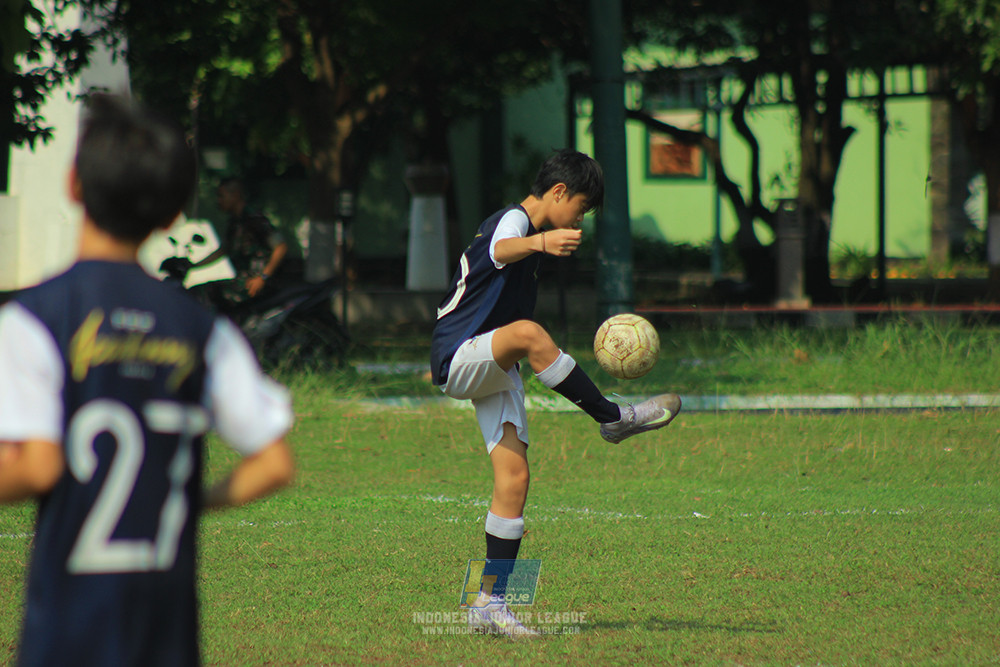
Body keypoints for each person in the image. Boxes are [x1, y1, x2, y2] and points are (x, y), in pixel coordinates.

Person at [0, 94, 295, 666]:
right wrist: (188, 498)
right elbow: (274, 462)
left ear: (73, 186)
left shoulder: (34, 320)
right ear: (171, 216)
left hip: (69, 634)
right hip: (166, 638)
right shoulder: (202, 330)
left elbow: (38, 463)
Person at [429, 148, 681, 638]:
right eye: (581, 210)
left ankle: (490, 603)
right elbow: (501, 250)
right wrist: (542, 240)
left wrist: (541, 244)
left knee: (515, 478)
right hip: (459, 355)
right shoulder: (513, 221)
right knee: (528, 332)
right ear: (559, 193)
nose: (580, 222)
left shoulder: (530, 236)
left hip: (493, 362)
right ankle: (613, 416)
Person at [191, 177, 290, 314]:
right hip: (242, 282)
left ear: (235, 195)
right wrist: (193, 266)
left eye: (221, 196)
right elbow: (223, 251)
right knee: (199, 293)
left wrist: (263, 277)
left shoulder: (254, 218)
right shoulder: (234, 223)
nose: (218, 201)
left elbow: (281, 247)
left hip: (256, 284)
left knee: (206, 293)